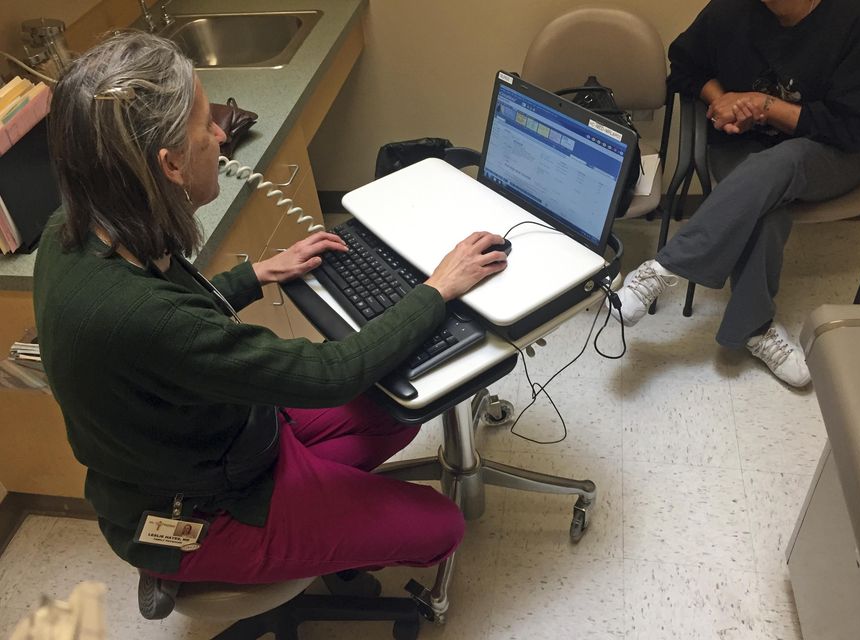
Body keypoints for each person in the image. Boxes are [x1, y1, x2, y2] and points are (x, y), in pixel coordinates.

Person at [33, 31, 509, 587]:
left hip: (216, 440)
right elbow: (327, 374)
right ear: (170, 164)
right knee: (441, 526)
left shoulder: (76, 231)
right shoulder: (142, 317)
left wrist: (258, 272)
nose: (220, 136)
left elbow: (166, 322)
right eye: (207, 125)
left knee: (398, 411)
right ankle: (302, 540)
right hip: (198, 513)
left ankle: (323, 516)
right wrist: (437, 288)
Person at [611, 0, 860, 387]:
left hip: (831, 151)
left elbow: (854, 126)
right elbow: (686, 66)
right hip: (746, 147)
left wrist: (765, 107)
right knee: (766, 205)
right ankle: (754, 328)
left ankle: (664, 268)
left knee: (784, 162)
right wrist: (721, 98)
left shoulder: (855, 17)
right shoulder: (730, 9)